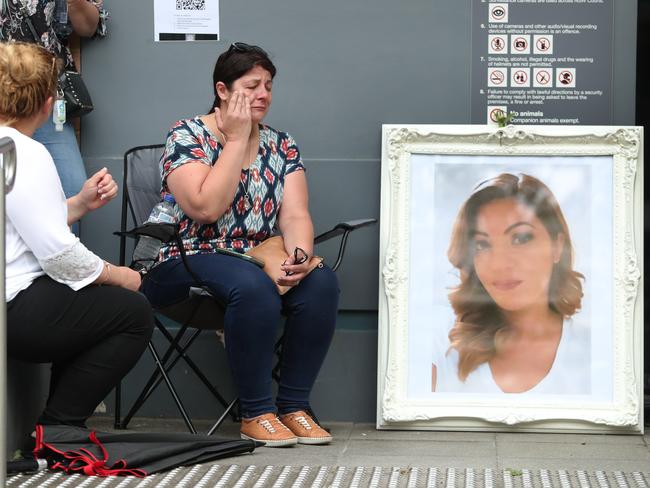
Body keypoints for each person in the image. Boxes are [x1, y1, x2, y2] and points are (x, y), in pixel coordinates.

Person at [141, 42, 339, 447]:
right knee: (252, 286)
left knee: (321, 282)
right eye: (252, 86)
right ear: (223, 90)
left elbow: (296, 214)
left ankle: (294, 407)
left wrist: (300, 256)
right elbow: (205, 209)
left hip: (256, 255)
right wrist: (235, 140)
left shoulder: (282, 145)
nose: (264, 94)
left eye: (268, 85)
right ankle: (256, 412)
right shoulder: (187, 135)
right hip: (187, 255)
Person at [1, 42, 153, 428]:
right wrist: (123, 276)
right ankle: (59, 427)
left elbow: (21, 223)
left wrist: (80, 204)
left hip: (11, 303)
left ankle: (54, 427)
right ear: (47, 104)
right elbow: (59, 255)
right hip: (13, 309)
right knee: (132, 313)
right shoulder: (27, 152)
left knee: (84, 304)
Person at [432, 173, 589, 394]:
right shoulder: (443, 345)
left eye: (521, 238)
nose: (500, 263)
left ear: (557, 246)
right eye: (482, 245)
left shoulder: (597, 353)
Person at [0, 0, 108, 233]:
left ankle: (64, 264)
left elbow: (89, 26)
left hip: (45, 100)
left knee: (72, 186)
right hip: (3, 94)